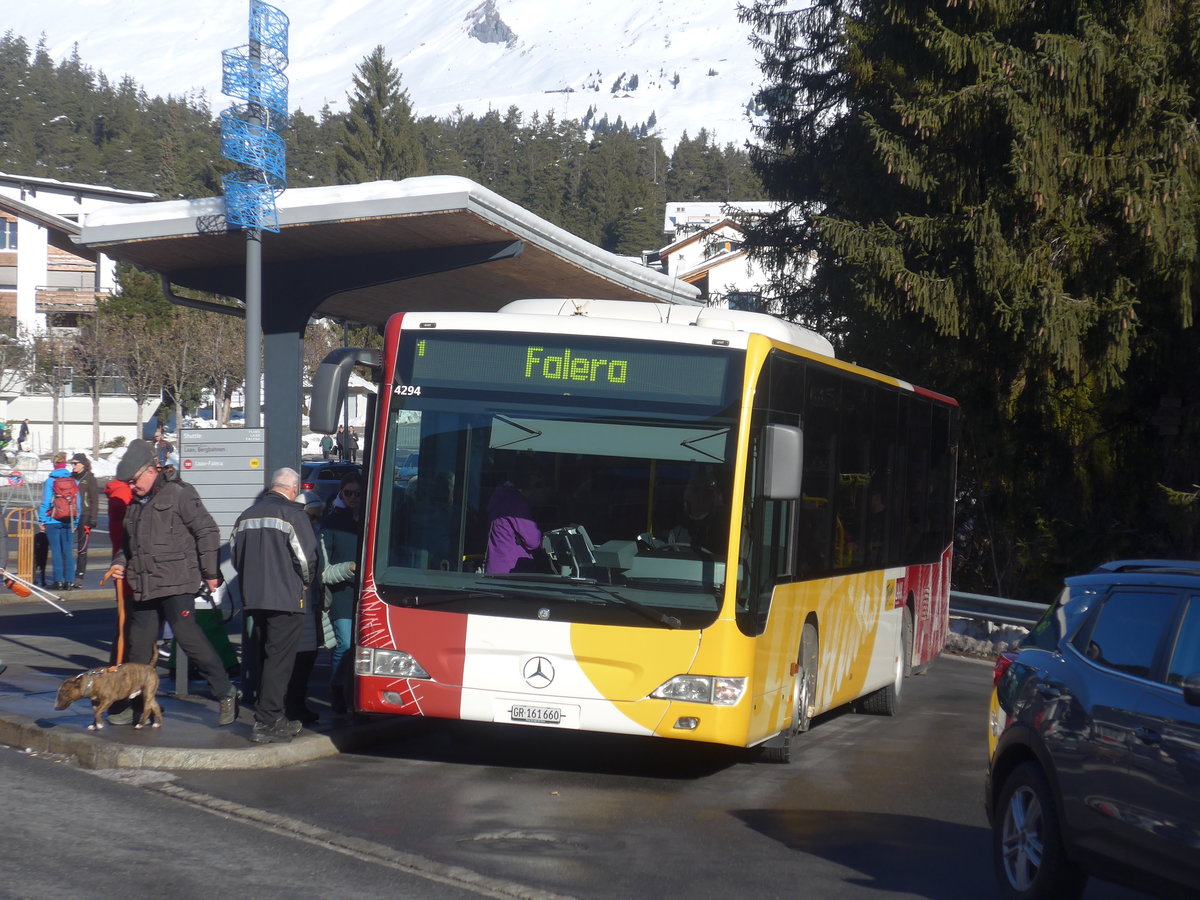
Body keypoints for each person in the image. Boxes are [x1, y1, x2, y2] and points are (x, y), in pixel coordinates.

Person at [108, 439, 238, 727]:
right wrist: (119, 561)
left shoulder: (180, 493)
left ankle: (226, 692)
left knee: (190, 639)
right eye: (128, 483)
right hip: (144, 585)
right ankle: (137, 702)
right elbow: (128, 546)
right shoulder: (135, 506)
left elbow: (207, 531)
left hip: (177, 582)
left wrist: (210, 572)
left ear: (149, 471)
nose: (131, 487)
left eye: (134, 481)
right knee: (138, 648)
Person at [230, 467, 316, 744]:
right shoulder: (293, 515)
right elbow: (306, 558)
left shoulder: (246, 516)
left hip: (255, 598)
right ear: (292, 489)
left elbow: (235, 556)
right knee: (280, 661)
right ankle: (268, 721)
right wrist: (305, 582)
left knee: (268, 657)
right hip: (286, 599)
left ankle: (272, 716)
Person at [286, 492, 355, 724]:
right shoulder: (300, 535)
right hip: (303, 602)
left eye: (318, 517)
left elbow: (322, 573)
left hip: (316, 604)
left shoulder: (318, 536)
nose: (315, 522)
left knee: (308, 657)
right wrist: (349, 568)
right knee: (301, 657)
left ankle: (298, 705)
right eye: (312, 517)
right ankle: (292, 706)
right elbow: (321, 573)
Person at [321, 471, 363, 713]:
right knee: (345, 643)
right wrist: (349, 569)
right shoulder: (332, 521)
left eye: (358, 493)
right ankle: (337, 688)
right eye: (348, 493)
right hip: (341, 594)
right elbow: (324, 571)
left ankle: (354, 691)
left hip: (366, 593)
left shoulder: (370, 517)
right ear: (341, 492)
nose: (353, 498)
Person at [485, 469, 545, 574]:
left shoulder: (500, 495)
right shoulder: (517, 503)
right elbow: (533, 542)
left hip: (495, 566)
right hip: (511, 571)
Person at [38, 451, 77, 591]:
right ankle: (70, 581)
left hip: (52, 520)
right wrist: (76, 521)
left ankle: (58, 581)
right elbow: (77, 503)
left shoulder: (51, 481)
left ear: (54, 464)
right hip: (69, 519)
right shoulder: (73, 481)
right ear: (65, 464)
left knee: (56, 551)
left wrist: (42, 519)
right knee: (68, 550)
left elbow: (46, 502)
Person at [666, 475, 725, 554]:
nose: (687, 496)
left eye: (695, 491)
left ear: (710, 497)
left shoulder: (719, 529)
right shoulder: (677, 531)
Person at [70, 453, 98, 588]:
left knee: (82, 547)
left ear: (83, 464)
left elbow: (94, 500)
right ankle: (68, 574)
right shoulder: (70, 477)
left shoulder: (89, 478)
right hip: (70, 515)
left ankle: (79, 575)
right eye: (72, 463)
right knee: (68, 545)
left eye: (76, 463)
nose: (73, 466)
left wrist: (93, 518)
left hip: (85, 515)